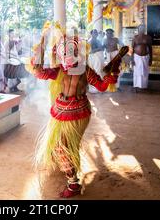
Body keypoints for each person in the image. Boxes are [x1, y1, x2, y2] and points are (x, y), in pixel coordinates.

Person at [28, 22, 127, 198]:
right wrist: (42, 42)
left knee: (62, 147)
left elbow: (102, 86)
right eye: (65, 52)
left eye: (72, 51)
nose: (68, 55)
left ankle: (73, 184)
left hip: (78, 113)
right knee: (63, 147)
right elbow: (38, 71)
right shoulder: (59, 70)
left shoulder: (85, 71)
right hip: (59, 112)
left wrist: (112, 76)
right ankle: (68, 168)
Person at [131, 24, 152, 91]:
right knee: (137, 72)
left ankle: (144, 86)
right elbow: (132, 48)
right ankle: (136, 86)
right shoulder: (135, 37)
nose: (142, 29)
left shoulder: (148, 37)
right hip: (137, 57)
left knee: (145, 72)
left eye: (143, 28)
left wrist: (151, 59)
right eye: (140, 28)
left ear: (144, 29)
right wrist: (132, 59)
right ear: (138, 29)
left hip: (145, 57)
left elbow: (150, 48)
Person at [87, 29, 105, 93]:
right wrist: (99, 48)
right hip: (94, 58)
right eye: (94, 32)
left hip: (98, 57)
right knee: (96, 71)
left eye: (96, 33)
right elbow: (91, 51)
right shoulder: (90, 41)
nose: (96, 34)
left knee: (99, 71)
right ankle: (94, 88)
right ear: (91, 34)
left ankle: (99, 87)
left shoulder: (97, 40)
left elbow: (102, 48)